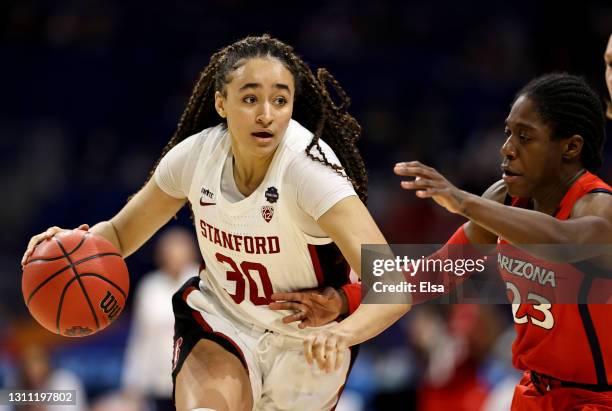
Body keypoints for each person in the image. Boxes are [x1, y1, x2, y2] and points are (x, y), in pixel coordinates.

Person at [21, 34, 403, 411]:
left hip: (307, 340)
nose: (266, 114)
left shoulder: (310, 171)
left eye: (280, 100)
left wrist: (343, 332)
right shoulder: (194, 158)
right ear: (221, 102)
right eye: (250, 98)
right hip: (225, 321)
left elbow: (394, 285)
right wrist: (73, 246)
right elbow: (120, 234)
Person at [305, 72, 612, 410]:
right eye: (508, 132)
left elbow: (566, 242)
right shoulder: (504, 199)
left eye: (525, 137)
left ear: (571, 146)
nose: (507, 148)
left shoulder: (599, 206)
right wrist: (345, 299)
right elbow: (438, 272)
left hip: (596, 397)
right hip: (534, 394)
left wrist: (464, 202)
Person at [122, 227, 199, 411]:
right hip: (161, 383)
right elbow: (140, 338)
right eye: (170, 250)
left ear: (191, 252)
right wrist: (132, 383)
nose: (175, 255)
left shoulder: (202, 282)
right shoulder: (149, 287)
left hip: (198, 381)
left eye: (180, 249)